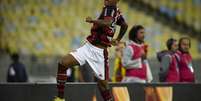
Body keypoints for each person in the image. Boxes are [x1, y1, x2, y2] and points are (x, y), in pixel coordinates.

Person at [53, 0, 128, 101]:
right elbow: (124, 25)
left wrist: (92, 20)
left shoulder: (110, 9)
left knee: (103, 85)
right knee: (63, 63)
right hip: (88, 48)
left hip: (100, 53)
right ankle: (60, 98)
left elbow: (108, 22)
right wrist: (118, 39)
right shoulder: (116, 11)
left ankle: (60, 97)